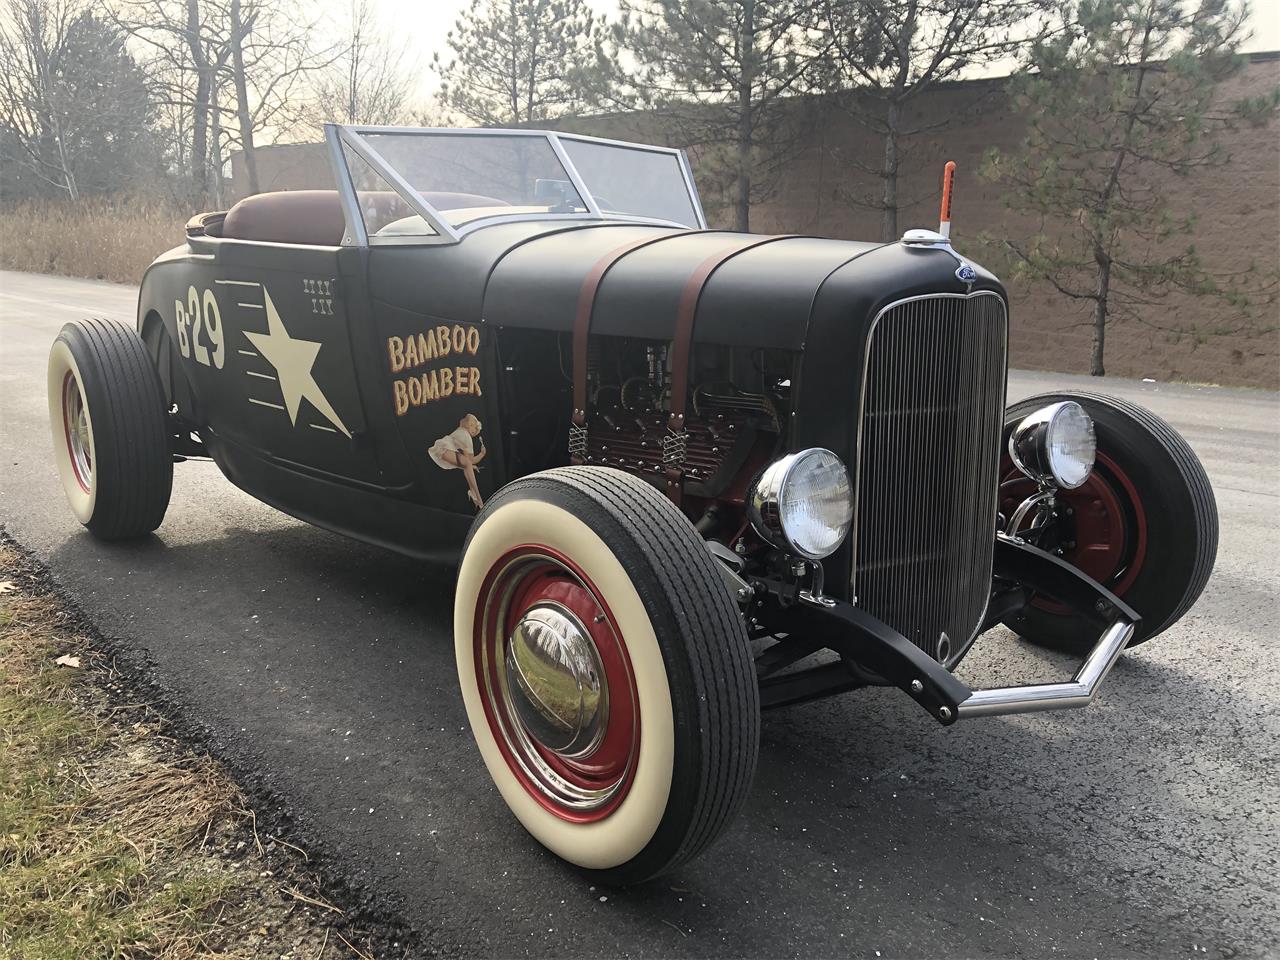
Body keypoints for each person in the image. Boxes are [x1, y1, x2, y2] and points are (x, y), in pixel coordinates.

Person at [429, 413, 487, 509]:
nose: (475, 433)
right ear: (471, 425)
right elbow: (471, 460)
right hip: (445, 449)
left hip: (443, 449)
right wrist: (481, 454)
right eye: (475, 430)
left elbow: (466, 459)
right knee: (468, 464)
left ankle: (473, 492)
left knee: (467, 465)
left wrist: (471, 465)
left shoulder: (460, 430)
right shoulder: (466, 436)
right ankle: (478, 497)